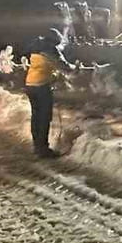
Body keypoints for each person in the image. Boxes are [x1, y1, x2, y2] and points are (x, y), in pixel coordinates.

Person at [24, 28, 76, 158]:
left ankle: (37, 146)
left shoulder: (36, 48)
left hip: (30, 85)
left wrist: (52, 75)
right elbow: (65, 66)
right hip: (41, 87)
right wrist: (76, 67)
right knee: (44, 118)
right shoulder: (51, 51)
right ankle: (43, 150)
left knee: (36, 117)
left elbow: (44, 66)